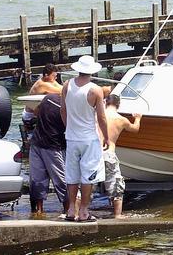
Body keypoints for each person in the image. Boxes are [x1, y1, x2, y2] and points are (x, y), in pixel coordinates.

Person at [60, 55, 109, 222]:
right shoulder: (95, 90)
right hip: (89, 138)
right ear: (92, 71)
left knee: (72, 175)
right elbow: (102, 118)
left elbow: (63, 111)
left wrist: (69, 128)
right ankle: (84, 212)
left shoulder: (67, 85)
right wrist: (107, 137)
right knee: (88, 175)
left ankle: (71, 210)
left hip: (71, 137)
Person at [102, 94, 141, 219]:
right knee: (115, 183)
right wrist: (138, 118)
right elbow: (135, 129)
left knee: (87, 182)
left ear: (105, 103)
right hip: (109, 153)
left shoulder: (97, 115)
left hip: (93, 152)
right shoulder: (121, 119)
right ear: (118, 105)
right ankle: (117, 215)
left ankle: (80, 212)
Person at [28, 93, 68, 215]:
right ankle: (68, 209)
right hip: (54, 147)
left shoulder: (48, 99)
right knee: (61, 180)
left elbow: (35, 112)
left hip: (37, 143)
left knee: (37, 179)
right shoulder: (68, 108)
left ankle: (39, 211)